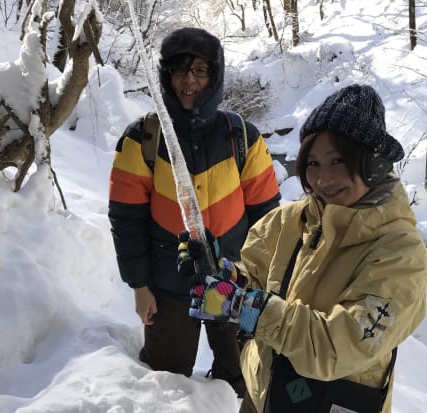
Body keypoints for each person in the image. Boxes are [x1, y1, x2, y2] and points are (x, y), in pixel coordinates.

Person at [181, 84, 427, 412]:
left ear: (376, 164)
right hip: (263, 392)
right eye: (312, 163)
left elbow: (338, 346)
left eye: (338, 161)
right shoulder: (287, 221)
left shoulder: (400, 253)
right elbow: (252, 276)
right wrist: (222, 275)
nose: (323, 179)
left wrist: (245, 307)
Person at [107, 27, 281, 397]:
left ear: (214, 77)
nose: (189, 80)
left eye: (200, 70)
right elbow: (126, 218)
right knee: (166, 382)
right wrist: (139, 285)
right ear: (166, 76)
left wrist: (264, 283)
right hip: (169, 286)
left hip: (236, 283)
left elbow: (268, 218)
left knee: (243, 380)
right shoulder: (143, 139)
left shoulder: (242, 137)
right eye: (180, 70)